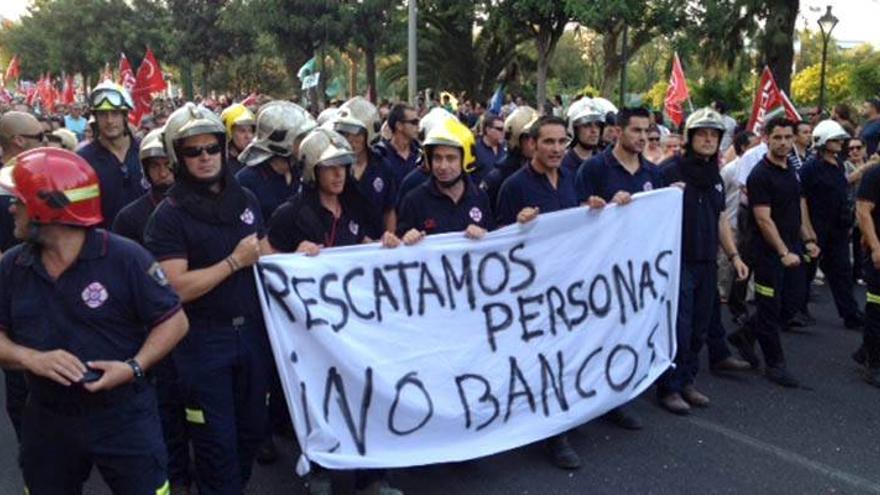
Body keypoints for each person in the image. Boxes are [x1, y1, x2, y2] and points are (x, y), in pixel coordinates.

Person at [0, 147, 188, 494]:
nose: (12, 208)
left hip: (124, 416)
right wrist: (31, 358)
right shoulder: (12, 267)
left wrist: (133, 367)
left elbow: (174, 322)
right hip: (47, 419)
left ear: (49, 206)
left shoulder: (125, 258)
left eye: (20, 201)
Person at [144, 103, 270, 494]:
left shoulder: (246, 198)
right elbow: (176, 287)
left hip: (252, 337)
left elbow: (263, 254)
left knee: (252, 433)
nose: (205, 158)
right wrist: (233, 262)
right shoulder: (168, 217)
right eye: (193, 151)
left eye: (212, 148)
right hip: (201, 344)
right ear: (178, 157)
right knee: (217, 447)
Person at [656, 108, 749, 415]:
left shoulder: (716, 178)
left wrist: (733, 255)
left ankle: (687, 381)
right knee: (679, 328)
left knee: (699, 327)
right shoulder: (669, 171)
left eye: (714, 135)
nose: (708, 140)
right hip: (677, 261)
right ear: (689, 137)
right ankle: (669, 387)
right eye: (702, 134)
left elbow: (721, 217)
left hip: (707, 261)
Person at [731, 117, 820, 388]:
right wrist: (782, 251)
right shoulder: (760, 174)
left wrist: (809, 239)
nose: (783, 142)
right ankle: (775, 364)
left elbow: (798, 208)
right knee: (769, 308)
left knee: (790, 304)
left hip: (792, 247)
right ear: (766, 139)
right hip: (768, 253)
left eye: (788, 137)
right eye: (777, 137)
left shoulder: (791, 170)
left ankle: (745, 333)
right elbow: (763, 220)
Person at [0, 110, 46, 443]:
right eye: (39, 138)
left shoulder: (43, 176)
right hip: (15, 307)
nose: (45, 143)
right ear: (18, 141)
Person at [799, 120, 864, 329]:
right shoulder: (810, 168)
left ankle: (850, 314)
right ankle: (796, 310)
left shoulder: (838, 165)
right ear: (823, 141)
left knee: (842, 271)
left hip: (837, 228)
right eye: (835, 139)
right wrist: (807, 232)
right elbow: (802, 200)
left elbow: (843, 189)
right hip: (816, 228)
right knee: (806, 271)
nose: (840, 143)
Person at [398, 117, 494, 238]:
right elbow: (398, 248)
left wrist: (484, 236)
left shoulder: (480, 198)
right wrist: (407, 238)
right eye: (437, 158)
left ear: (465, 159)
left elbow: (494, 243)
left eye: (450, 158)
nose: (443, 166)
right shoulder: (413, 201)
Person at [77, 82, 148, 229]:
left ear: (125, 116)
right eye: (103, 114)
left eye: (115, 113)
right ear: (95, 118)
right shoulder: (82, 161)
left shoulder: (146, 151)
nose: (109, 121)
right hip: (105, 245)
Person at [236, 101, 315, 221]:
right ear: (282, 142)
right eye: (301, 138)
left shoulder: (305, 173)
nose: (307, 143)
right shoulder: (247, 181)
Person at [576, 107, 664, 208]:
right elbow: (579, 213)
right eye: (636, 130)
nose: (643, 137)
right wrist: (609, 207)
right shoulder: (593, 168)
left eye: (646, 131)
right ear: (618, 132)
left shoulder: (654, 172)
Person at [112, 127, 174, 245]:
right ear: (146, 170)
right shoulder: (129, 218)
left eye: (168, 164)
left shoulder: (199, 209)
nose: (163, 173)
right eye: (155, 166)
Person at [480, 106, 537, 210]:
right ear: (517, 138)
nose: (536, 143)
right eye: (531, 137)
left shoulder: (546, 172)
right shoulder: (497, 178)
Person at [854, 161, 880, 386]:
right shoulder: (875, 174)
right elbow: (863, 211)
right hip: (879, 252)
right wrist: (875, 246)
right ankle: (874, 364)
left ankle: (866, 350)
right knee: (877, 307)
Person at [845, 137, 879, 284]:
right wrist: (869, 167)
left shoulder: (871, 166)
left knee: (863, 239)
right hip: (852, 209)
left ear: (865, 149)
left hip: (873, 210)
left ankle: (861, 271)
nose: (855, 151)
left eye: (858, 147)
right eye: (851, 148)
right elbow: (847, 180)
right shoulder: (845, 165)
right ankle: (855, 273)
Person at [375, 103, 421, 186]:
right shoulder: (380, 155)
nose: (418, 126)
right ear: (399, 125)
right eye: (414, 122)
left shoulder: (421, 155)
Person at [561, 99, 604, 173]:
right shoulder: (563, 163)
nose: (594, 130)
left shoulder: (604, 162)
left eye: (597, 125)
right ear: (576, 130)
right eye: (587, 125)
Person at [219, 103, 256, 176]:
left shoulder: (256, 160)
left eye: (250, 131)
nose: (248, 136)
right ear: (228, 133)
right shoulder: (220, 165)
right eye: (242, 131)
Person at [472, 112, 506, 184]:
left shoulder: (505, 148)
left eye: (504, 129)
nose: (503, 132)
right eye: (499, 129)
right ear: (488, 130)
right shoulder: (474, 148)